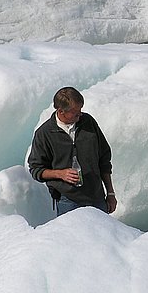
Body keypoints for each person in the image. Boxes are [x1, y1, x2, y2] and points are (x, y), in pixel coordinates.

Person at [28, 87, 117, 216]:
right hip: (67, 202)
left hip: (97, 198)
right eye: (75, 113)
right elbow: (36, 170)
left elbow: (104, 159)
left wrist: (110, 193)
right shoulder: (44, 134)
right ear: (61, 111)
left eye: (80, 110)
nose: (80, 115)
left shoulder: (88, 122)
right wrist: (60, 174)